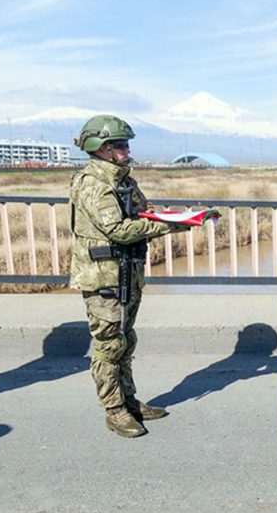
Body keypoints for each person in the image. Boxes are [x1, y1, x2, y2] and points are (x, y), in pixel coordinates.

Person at [69, 115, 189, 438]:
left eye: (125, 144)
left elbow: (143, 213)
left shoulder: (124, 181)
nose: (126, 149)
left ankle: (129, 401)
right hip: (103, 278)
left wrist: (178, 217)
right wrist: (167, 226)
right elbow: (118, 229)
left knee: (126, 340)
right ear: (101, 149)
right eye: (119, 145)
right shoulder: (94, 183)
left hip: (127, 273)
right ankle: (114, 410)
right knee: (109, 344)